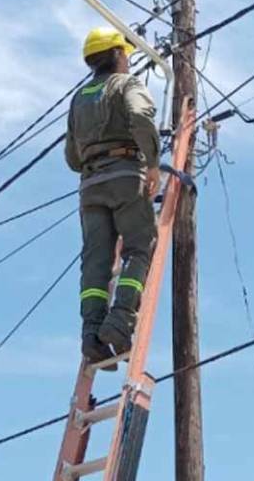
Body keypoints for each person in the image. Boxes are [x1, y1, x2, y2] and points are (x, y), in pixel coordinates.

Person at [65, 27, 161, 366]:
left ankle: (91, 334)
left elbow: (72, 157)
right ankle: (119, 324)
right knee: (139, 247)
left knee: (96, 263)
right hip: (125, 176)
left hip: (90, 187)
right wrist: (152, 164)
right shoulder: (127, 85)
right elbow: (139, 116)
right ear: (119, 55)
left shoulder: (78, 98)